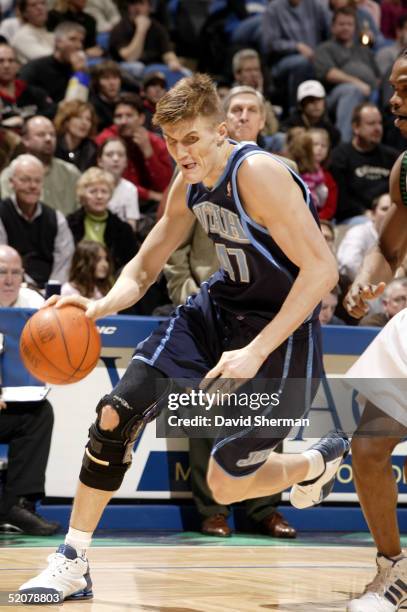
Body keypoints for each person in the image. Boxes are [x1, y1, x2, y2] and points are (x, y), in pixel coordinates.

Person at [19, 74, 348, 602]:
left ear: (221, 130)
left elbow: (322, 272)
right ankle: (71, 559)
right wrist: (98, 304)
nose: (181, 152)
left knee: (224, 484)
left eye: (191, 139)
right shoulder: (187, 178)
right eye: (171, 142)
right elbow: (147, 263)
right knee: (115, 414)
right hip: (217, 310)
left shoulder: (258, 173)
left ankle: (315, 461)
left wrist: (257, 349)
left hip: (283, 332)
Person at [343, 51, 407, 611]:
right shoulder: (406, 168)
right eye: (394, 88)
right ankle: (393, 567)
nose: (393, 100)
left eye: (406, 89)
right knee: (367, 447)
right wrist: (368, 278)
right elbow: (389, 250)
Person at [0, 244, 60, 535]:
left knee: (39, 414)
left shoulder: (33, 302)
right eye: (2, 273)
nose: (9, 280)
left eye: (15, 273)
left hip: (12, 402)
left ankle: (17, 506)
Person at [0, 154, 74, 288]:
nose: (32, 186)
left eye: (37, 180)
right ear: (11, 182)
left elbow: (64, 261)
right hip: (9, 288)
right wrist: (27, 286)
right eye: (25, 180)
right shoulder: (2, 214)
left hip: (49, 292)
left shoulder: (56, 218)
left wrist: (51, 289)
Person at [330, 103, 399, 224]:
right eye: (371, 124)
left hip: (388, 213)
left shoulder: (392, 156)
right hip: (355, 217)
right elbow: (342, 199)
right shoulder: (339, 156)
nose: (378, 128)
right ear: (356, 127)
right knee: (367, 224)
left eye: (379, 123)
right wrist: (365, 213)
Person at [0, 115, 81, 217]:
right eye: (41, 135)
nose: (48, 139)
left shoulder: (71, 173)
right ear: (25, 140)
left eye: (52, 135)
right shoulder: (11, 174)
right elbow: (8, 213)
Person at [66, 167, 137, 274]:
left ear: (110, 195)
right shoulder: (69, 224)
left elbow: (130, 265)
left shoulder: (123, 229)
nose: (99, 196)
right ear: (82, 195)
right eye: (93, 191)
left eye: (104, 191)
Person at [337, 192, 392, 280]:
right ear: (373, 214)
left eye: (393, 210)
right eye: (385, 209)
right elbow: (350, 263)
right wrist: (371, 284)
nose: (390, 213)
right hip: (351, 286)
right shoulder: (359, 232)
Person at [97, 137, 140, 231]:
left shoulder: (130, 189)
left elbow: (131, 227)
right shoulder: (90, 186)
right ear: (100, 161)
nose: (116, 159)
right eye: (109, 154)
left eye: (120, 155)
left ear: (126, 162)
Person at [54, 99, 98, 172]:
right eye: (79, 117)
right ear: (66, 121)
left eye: (88, 119)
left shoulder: (91, 149)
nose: (84, 123)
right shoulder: (54, 143)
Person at [10, 0, 54, 64]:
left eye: (43, 3)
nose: (40, 7)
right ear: (25, 13)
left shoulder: (50, 33)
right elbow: (47, 60)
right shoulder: (22, 36)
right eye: (33, 5)